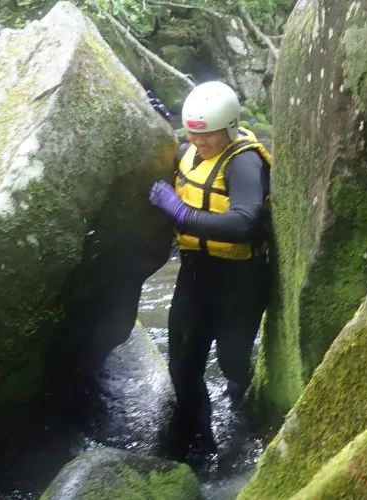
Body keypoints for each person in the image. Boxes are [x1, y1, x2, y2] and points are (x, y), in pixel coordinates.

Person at [148, 81, 273, 464]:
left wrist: (182, 213)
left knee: (232, 360)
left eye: (207, 136)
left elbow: (245, 221)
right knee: (182, 362)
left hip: (239, 277)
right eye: (193, 135)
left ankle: (244, 413)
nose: (198, 144)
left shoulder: (244, 161)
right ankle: (201, 444)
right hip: (195, 271)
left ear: (231, 128)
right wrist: (155, 118)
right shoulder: (192, 146)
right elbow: (178, 145)